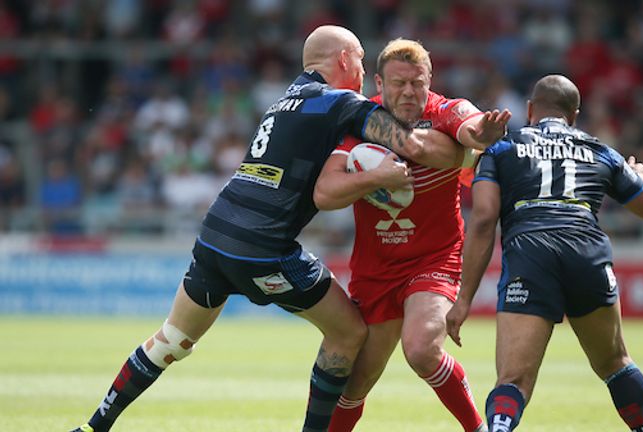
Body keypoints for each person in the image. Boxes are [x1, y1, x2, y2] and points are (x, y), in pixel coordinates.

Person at [70, 25, 475, 432]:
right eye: (361, 60)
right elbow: (415, 146)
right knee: (349, 332)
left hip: (215, 234)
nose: (362, 70)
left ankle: (94, 426)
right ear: (343, 61)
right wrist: (468, 151)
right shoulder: (340, 102)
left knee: (172, 339)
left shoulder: (284, 100)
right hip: (263, 246)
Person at [446, 74, 643, 432]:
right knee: (615, 362)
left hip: (530, 252)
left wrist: (463, 299)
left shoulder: (502, 149)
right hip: (586, 249)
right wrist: (641, 177)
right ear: (575, 115)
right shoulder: (600, 150)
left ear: (530, 109)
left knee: (514, 380)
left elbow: (485, 219)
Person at [314, 38, 511, 432]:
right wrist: (377, 177)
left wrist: (481, 134)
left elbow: (469, 123)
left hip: (434, 259)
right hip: (376, 269)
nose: (408, 91)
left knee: (421, 349)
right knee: (355, 383)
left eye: (417, 83)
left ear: (430, 81)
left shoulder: (443, 111)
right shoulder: (359, 119)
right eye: (398, 82)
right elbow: (325, 193)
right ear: (378, 83)